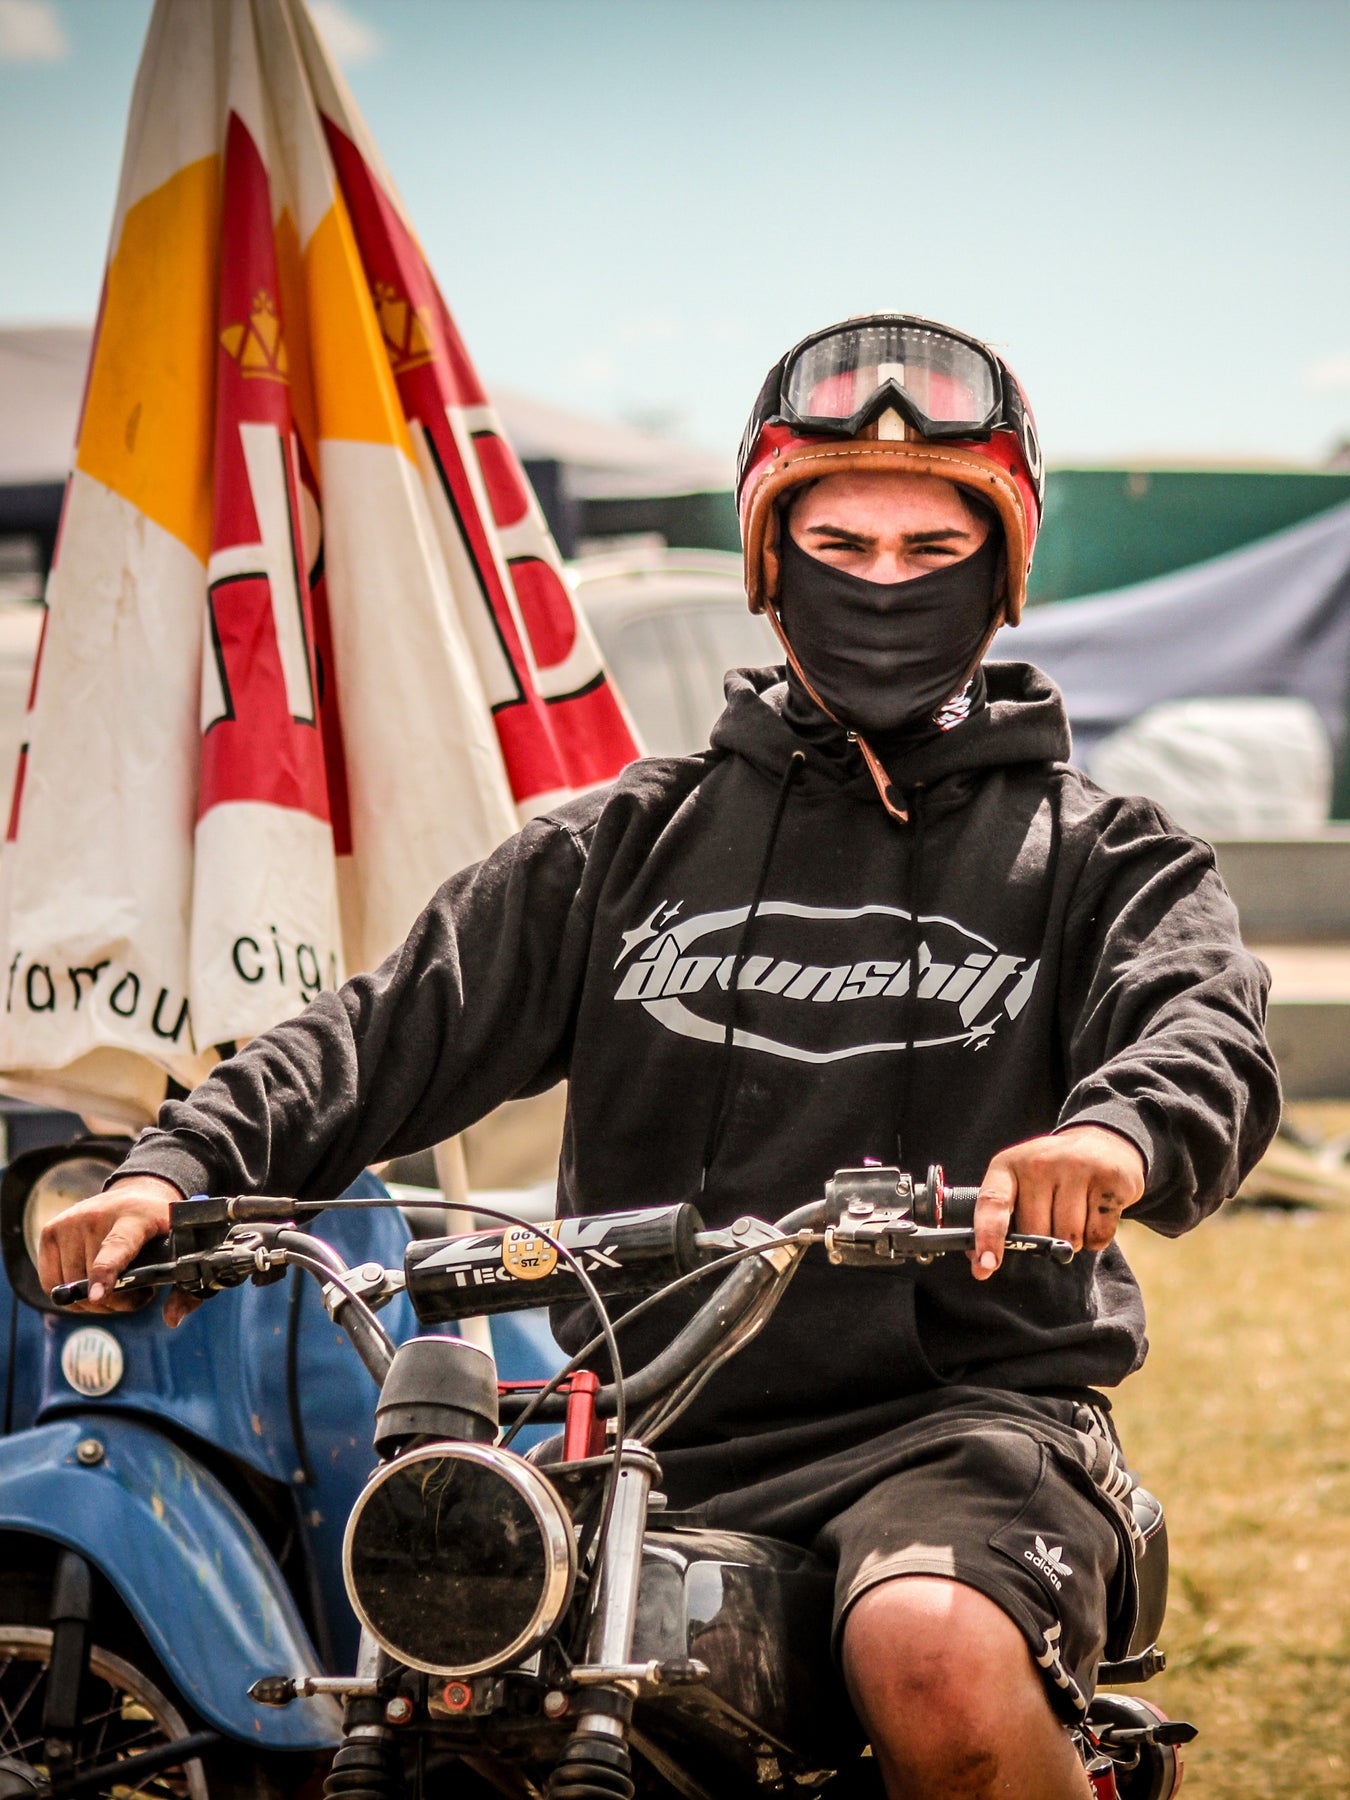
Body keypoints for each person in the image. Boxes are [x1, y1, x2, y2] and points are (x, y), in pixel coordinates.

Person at [40, 314, 1279, 1799]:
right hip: (631, 1428)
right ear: (768, 559)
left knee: (930, 1651)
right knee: (434, 1680)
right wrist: (175, 1166)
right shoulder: (622, 846)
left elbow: (1199, 1023)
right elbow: (383, 1025)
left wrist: (1116, 1133)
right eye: (839, 542)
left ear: (1000, 571)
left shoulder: (1103, 854)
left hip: (962, 1426)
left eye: (929, 548)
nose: (882, 582)